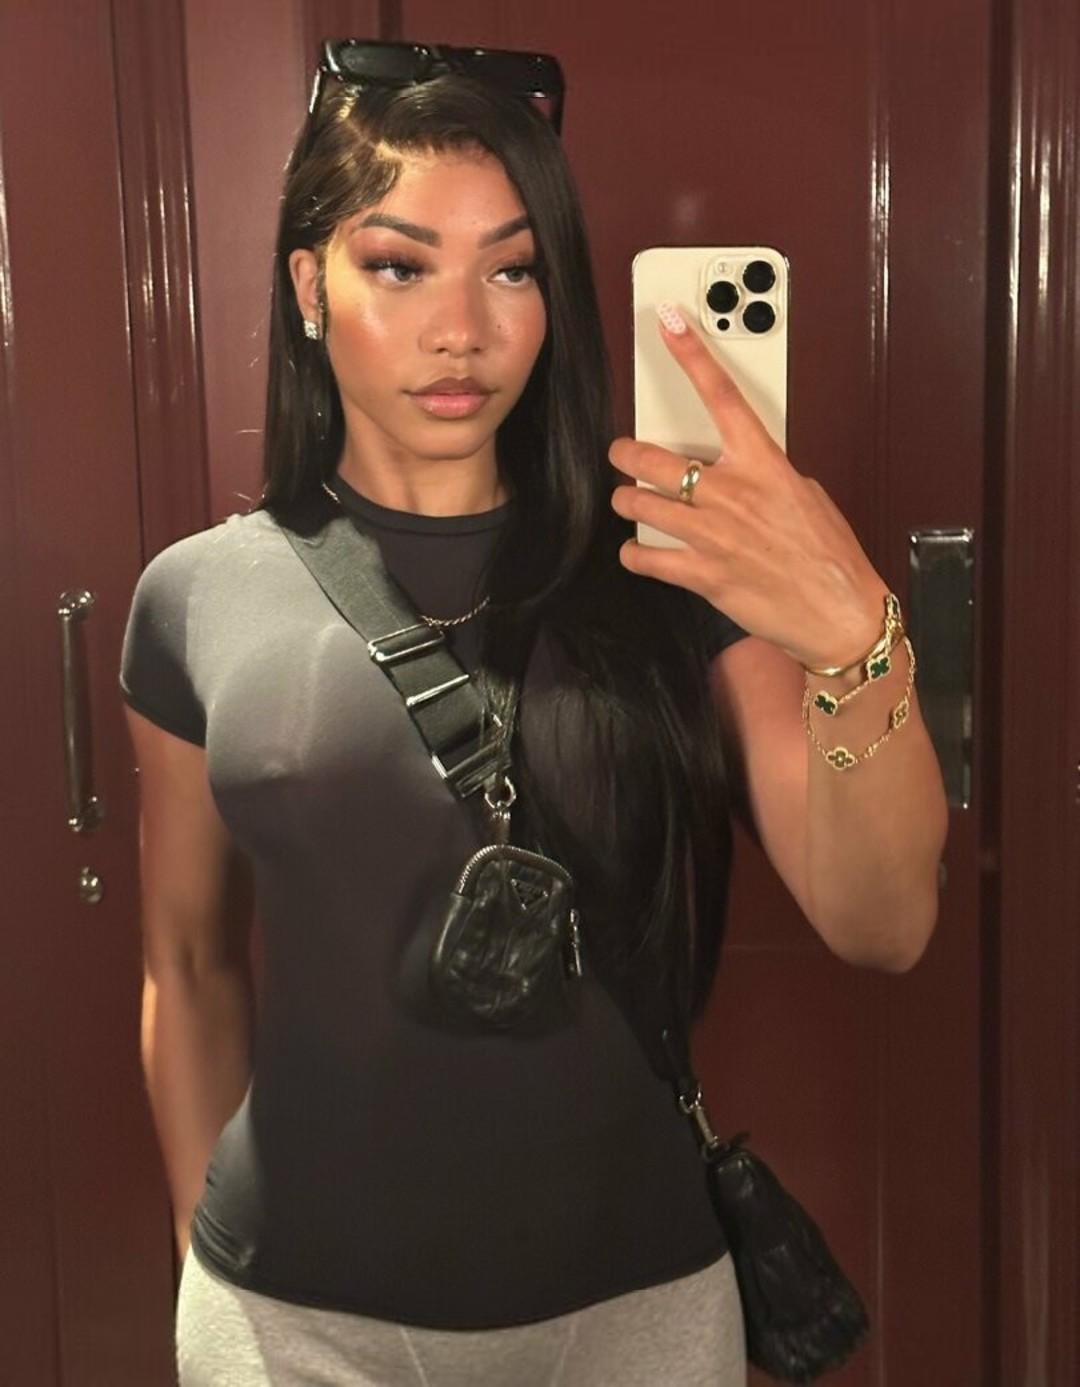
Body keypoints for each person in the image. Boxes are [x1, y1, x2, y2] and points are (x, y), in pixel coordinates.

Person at [119, 40, 948, 1387]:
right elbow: (187, 963)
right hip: (290, 1321)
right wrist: (202, 1273)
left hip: (633, 1310)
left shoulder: (671, 576)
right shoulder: (195, 597)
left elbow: (885, 921)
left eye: (511, 270)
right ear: (310, 287)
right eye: (401, 267)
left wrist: (855, 632)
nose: (463, 329)